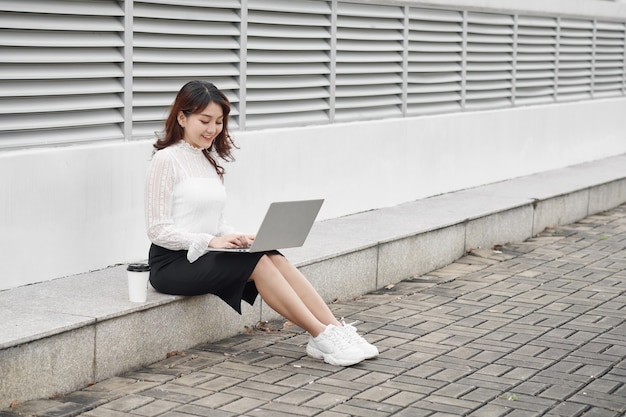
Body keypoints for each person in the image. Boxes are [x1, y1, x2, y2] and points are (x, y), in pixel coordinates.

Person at [145, 80, 378, 367]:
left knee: (270, 255)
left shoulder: (209, 163)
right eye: (204, 120)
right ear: (182, 117)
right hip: (171, 264)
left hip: (206, 254)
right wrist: (209, 241)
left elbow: (215, 222)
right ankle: (321, 336)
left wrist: (237, 237)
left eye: (219, 122)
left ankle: (337, 329)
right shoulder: (166, 160)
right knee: (258, 263)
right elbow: (156, 229)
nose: (212, 129)